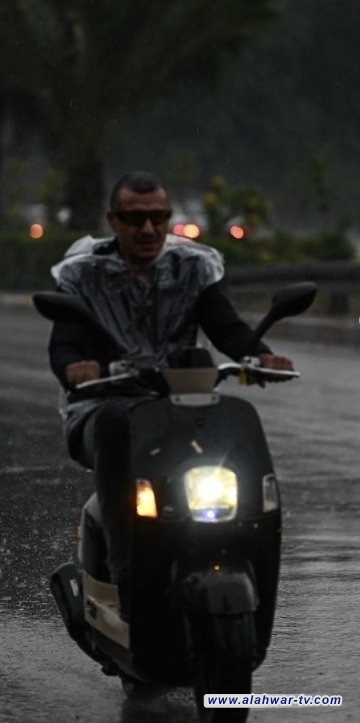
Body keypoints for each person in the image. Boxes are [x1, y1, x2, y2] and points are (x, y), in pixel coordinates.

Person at [47, 170, 293, 609]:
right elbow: (63, 343)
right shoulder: (85, 275)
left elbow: (227, 328)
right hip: (104, 407)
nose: (148, 229)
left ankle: (245, 555)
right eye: (134, 218)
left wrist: (260, 356)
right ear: (113, 220)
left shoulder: (192, 268)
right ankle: (127, 572)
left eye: (158, 217)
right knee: (114, 426)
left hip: (180, 406)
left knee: (234, 425)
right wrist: (75, 368)